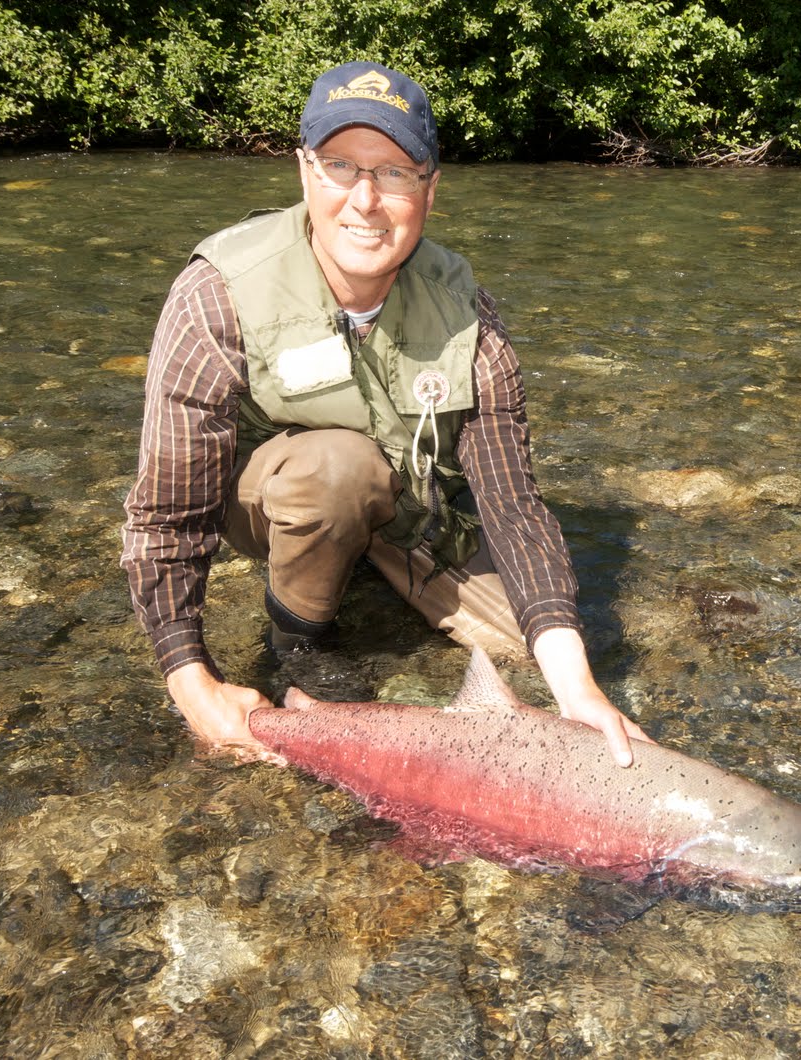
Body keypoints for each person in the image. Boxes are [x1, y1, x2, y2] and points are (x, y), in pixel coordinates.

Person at [121, 61, 648, 767]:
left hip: (415, 509)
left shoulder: (466, 312)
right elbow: (166, 513)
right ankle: (299, 641)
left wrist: (577, 687)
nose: (364, 200)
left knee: (543, 651)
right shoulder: (216, 294)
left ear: (430, 189)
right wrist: (191, 678)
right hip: (279, 501)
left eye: (395, 173)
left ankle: (377, 562)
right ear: (304, 171)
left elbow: (513, 504)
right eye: (340, 166)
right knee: (336, 469)